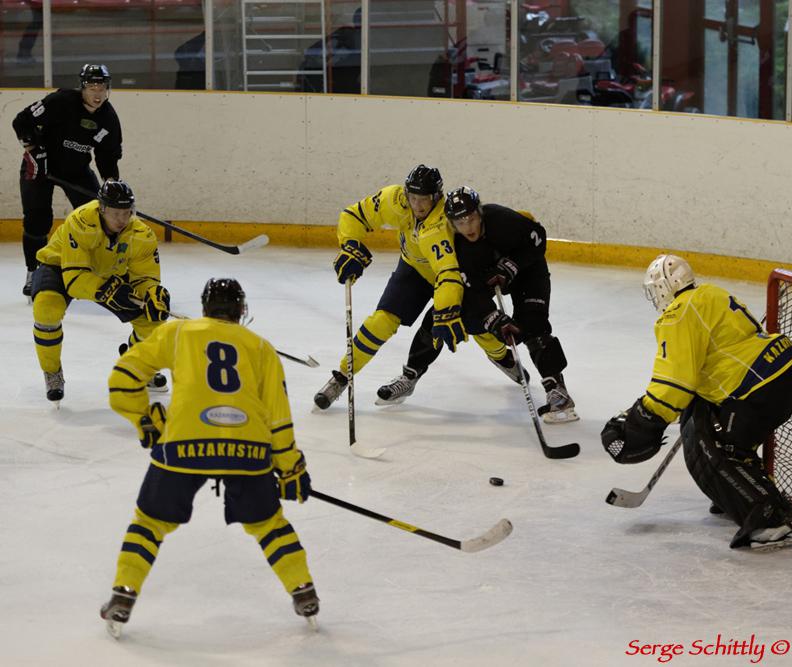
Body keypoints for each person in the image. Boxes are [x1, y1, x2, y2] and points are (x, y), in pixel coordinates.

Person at [100, 278, 318, 637]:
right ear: (242, 310)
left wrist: (144, 419)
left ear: (204, 307)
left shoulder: (177, 332)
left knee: (149, 523)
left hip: (183, 445)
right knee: (270, 526)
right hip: (247, 449)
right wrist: (289, 467)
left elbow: (123, 377)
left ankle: (123, 595)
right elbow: (278, 418)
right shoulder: (261, 347)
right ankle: (303, 590)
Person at [601, 255, 792, 550]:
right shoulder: (711, 293)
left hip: (755, 386)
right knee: (708, 418)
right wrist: (639, 412)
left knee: (708, 444)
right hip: (778, 372)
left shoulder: (678, 313)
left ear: (663, 286)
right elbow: (695, 379)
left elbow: (674, 383)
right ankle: (736, 494)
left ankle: (774, 519)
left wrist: (641, 423)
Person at [313, 165, 513, 409]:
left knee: (472, 326)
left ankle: (502, 357)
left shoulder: (441, 224)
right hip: (414, 268)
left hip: (451, 277)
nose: (417, 206)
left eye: (424, 199)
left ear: (437, 197)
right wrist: (349, 243)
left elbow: (447, 273)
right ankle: (343, 376)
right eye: (413, 197)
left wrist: (446, 309)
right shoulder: (394, 200)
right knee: (381, 321)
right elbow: (354, 215)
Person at [378, 186, 577, 422]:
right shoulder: (455, 248)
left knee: (534, 325)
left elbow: (538, 238)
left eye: (472, 219)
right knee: (441, 315)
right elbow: (467, 292)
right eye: (460, 223)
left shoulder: (502, 219)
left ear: (480, 212)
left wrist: (511, 266)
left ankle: (558, 392)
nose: (468, 227)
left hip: (528, 272)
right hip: (483, 278)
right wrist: (493, 318)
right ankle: (410, 376)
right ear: (451, 223)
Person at [31, 180, 169, 403]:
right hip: (61, 265)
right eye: (115, 213)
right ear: (101, 208)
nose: (121, 220)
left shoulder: (141, 234)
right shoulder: (80, 221)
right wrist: (108, 291)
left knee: (151, 321)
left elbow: (145, 277)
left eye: (127, 213)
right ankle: (52, 372)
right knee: (46, 309)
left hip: (109, 271)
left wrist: (152, 293)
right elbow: (75, 279)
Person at [12, 63, 124, 297]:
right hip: (41, 164)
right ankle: (34, 271)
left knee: (96, 215)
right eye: (92, 87)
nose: (97, 93)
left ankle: (97, 268)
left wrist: (111, 185)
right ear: (82, 87)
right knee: (37, 219)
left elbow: (108, 155)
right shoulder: (61, 102)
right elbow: (21, 121)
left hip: (76, 170)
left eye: (102, 87)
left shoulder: (108, 118)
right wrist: (33, 148)